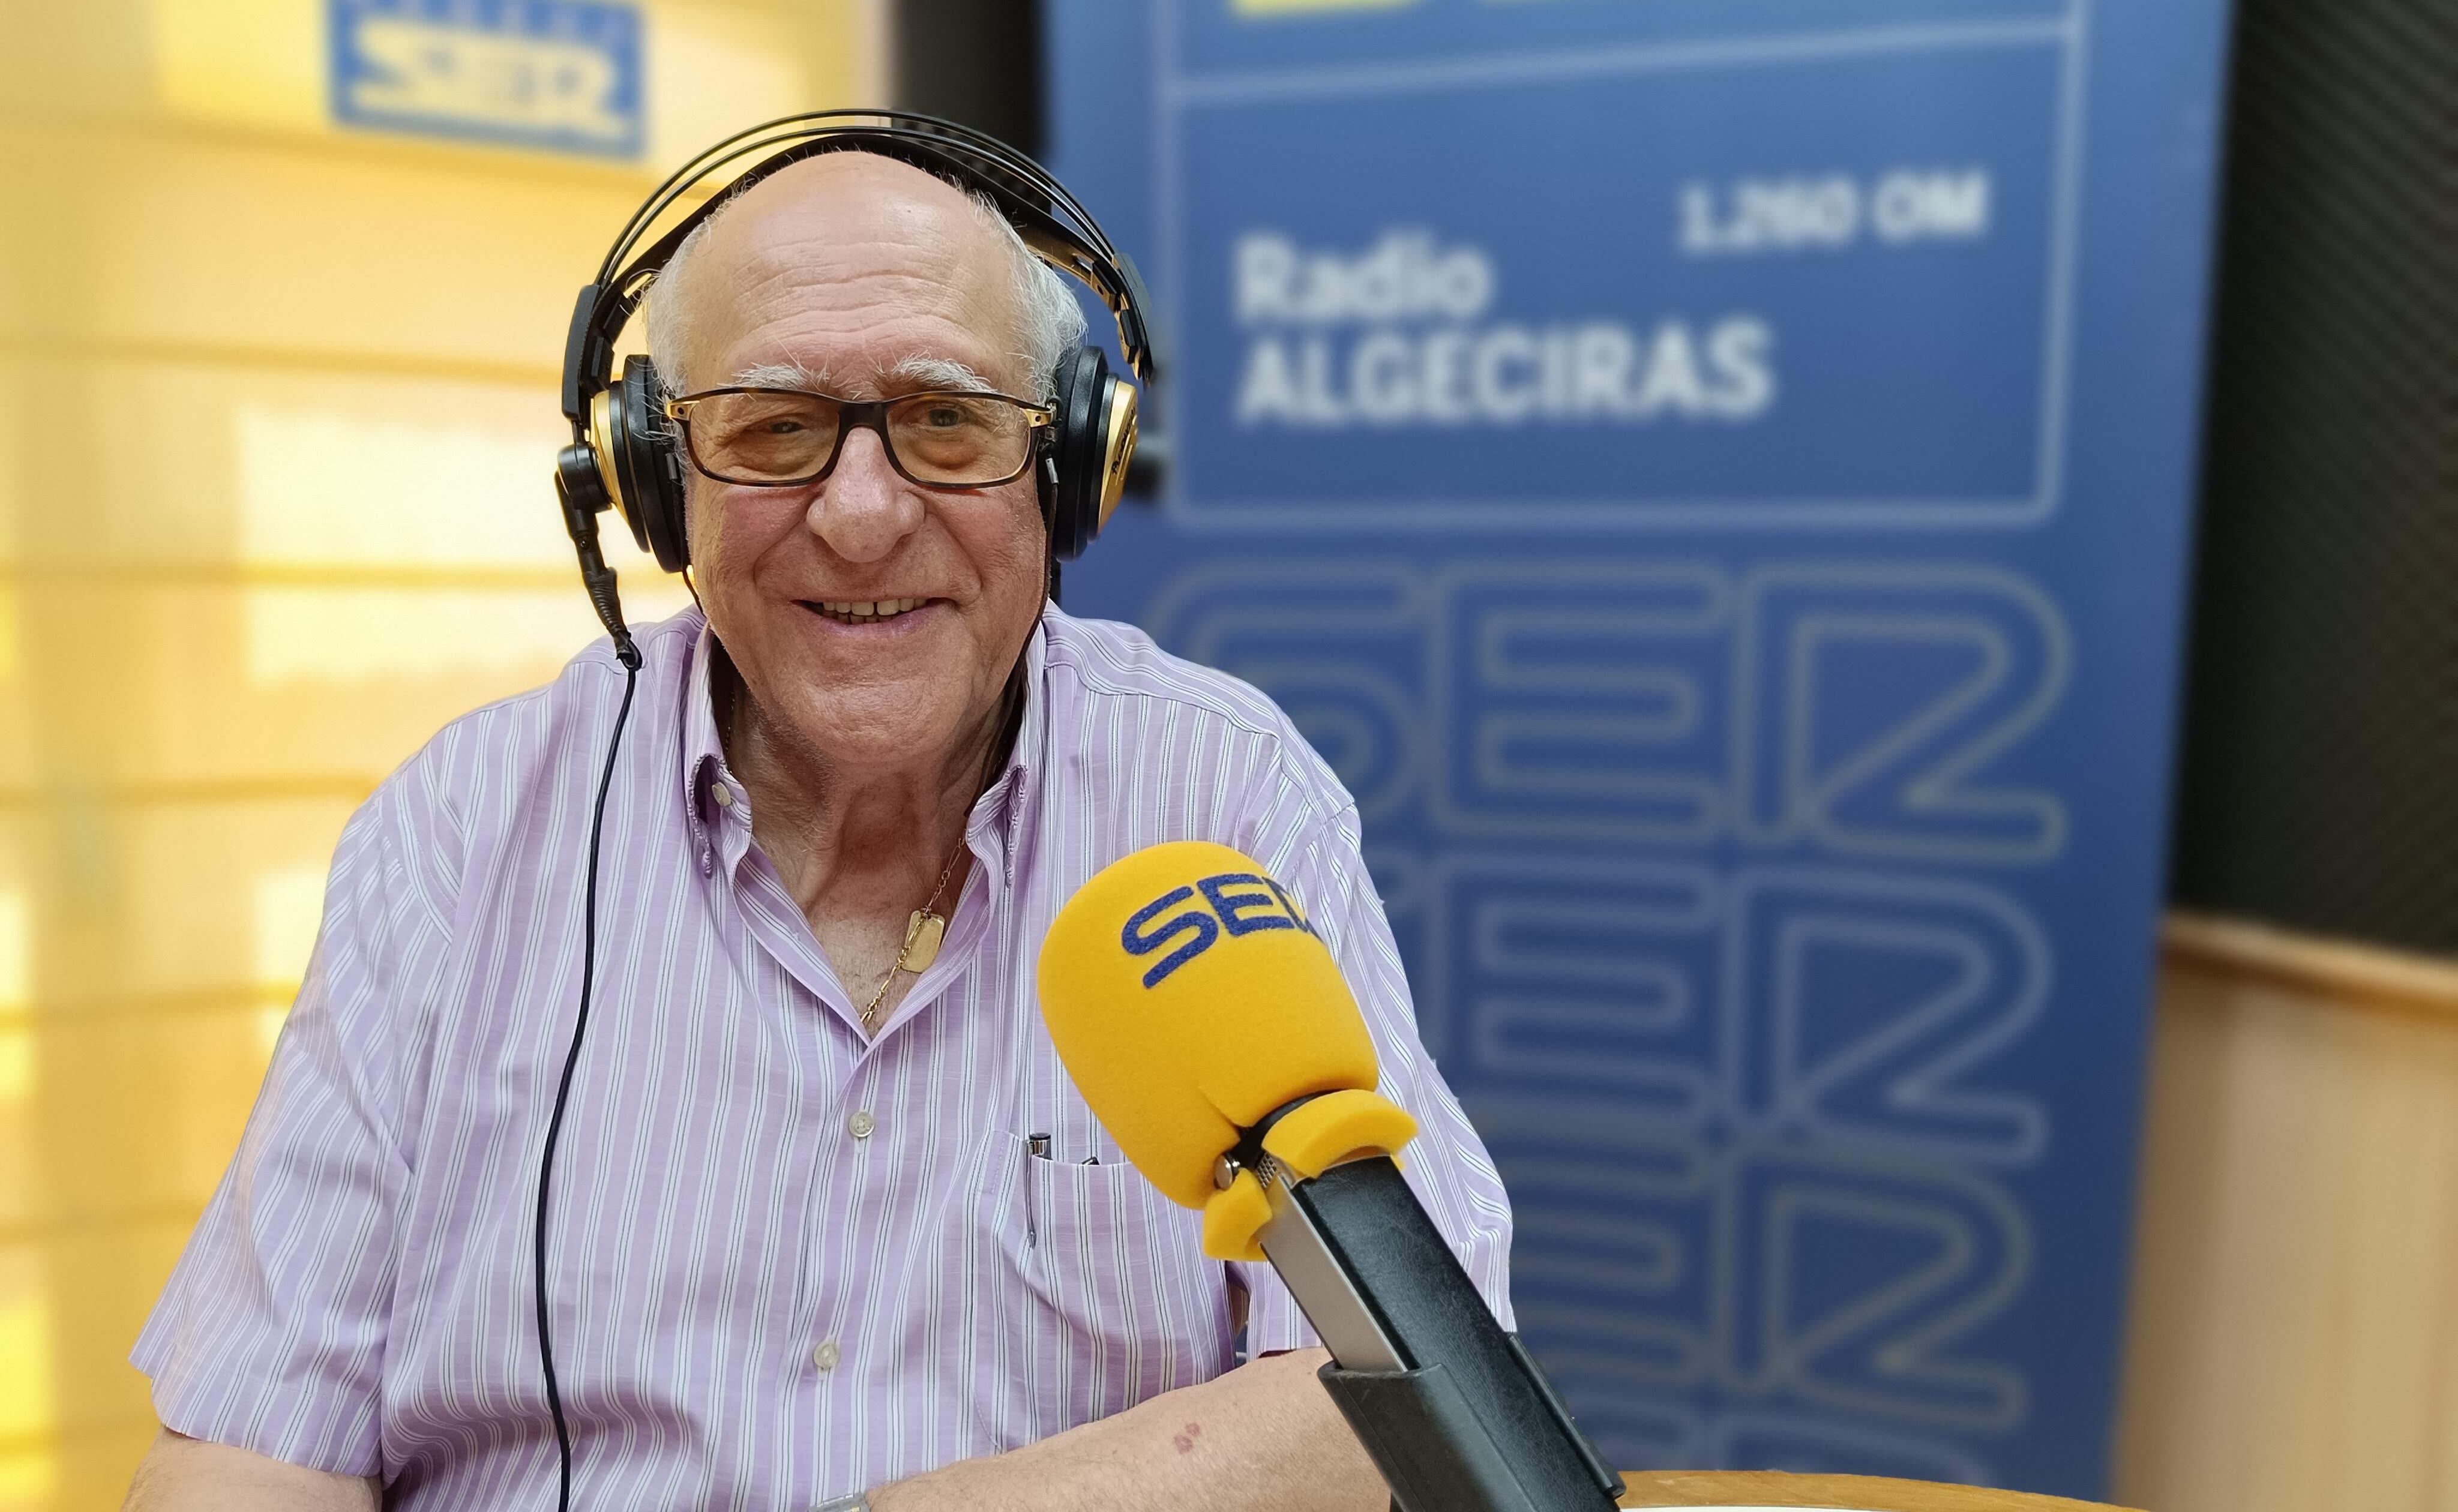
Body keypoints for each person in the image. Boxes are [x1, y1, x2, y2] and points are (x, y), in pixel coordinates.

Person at [122, 150, 1513, 1511]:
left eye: (946, 420)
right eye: (772, 428)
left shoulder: (1223, 793)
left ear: (1070, 458)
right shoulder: (465, 828)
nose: (859, 515)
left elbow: (1414, 1379)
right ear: (655, 479)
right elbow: (252, 1445)